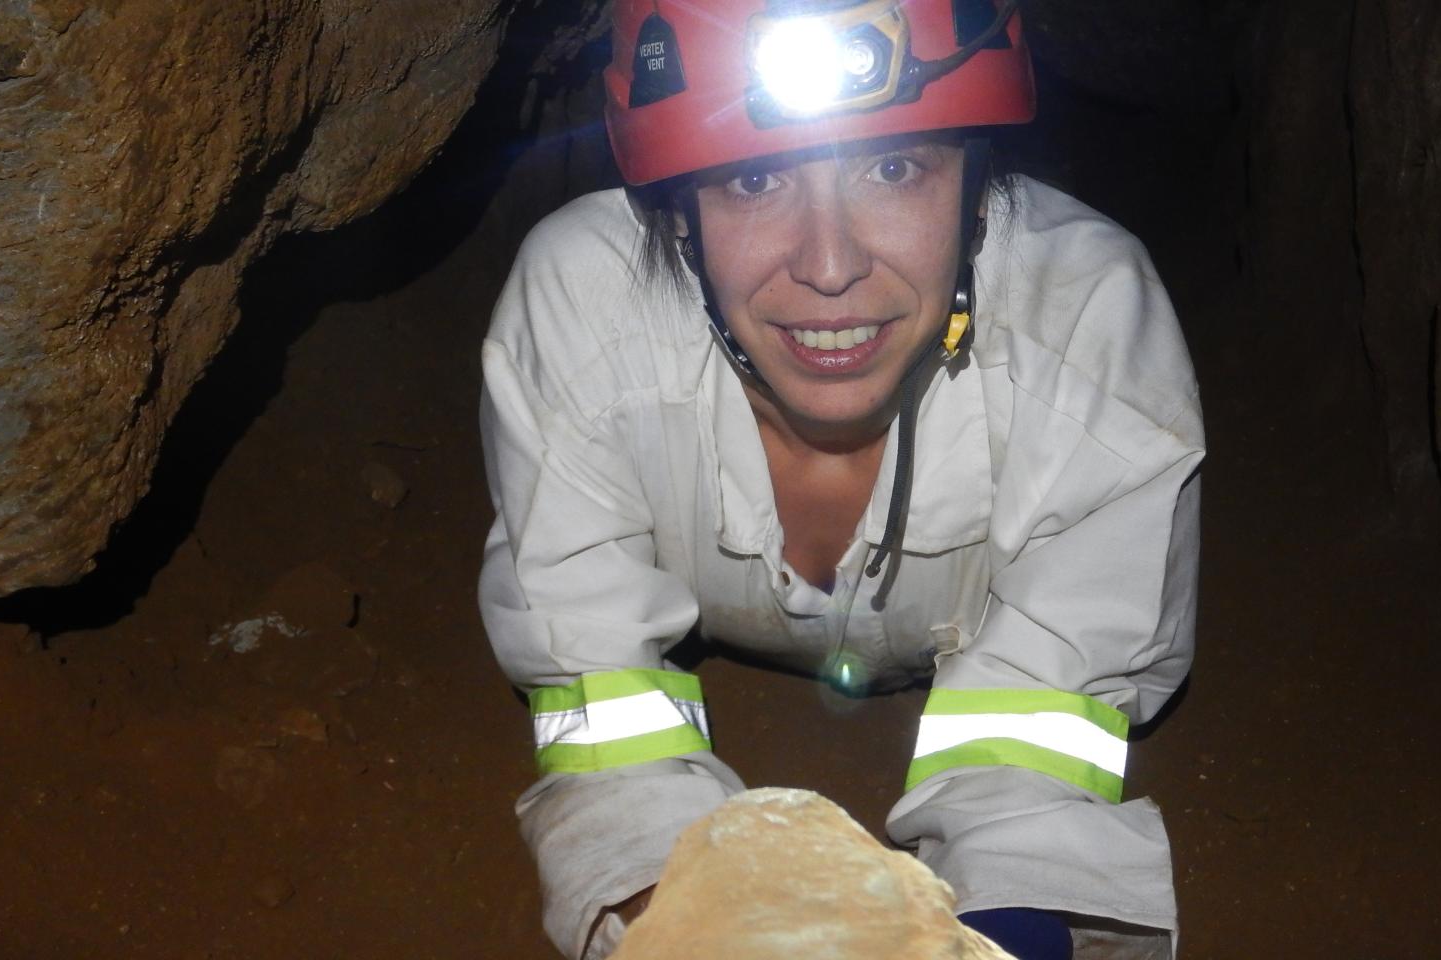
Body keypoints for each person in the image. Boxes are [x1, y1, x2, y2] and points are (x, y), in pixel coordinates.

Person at [477, 1, 1204, 957]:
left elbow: (1037, 743)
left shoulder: (1088, 332)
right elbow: (606, 711)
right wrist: (693, 930)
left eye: (895, 167)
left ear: (978, 186)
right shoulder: (583, 311)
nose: (830, 266)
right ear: (679, 212)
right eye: (752, 176)